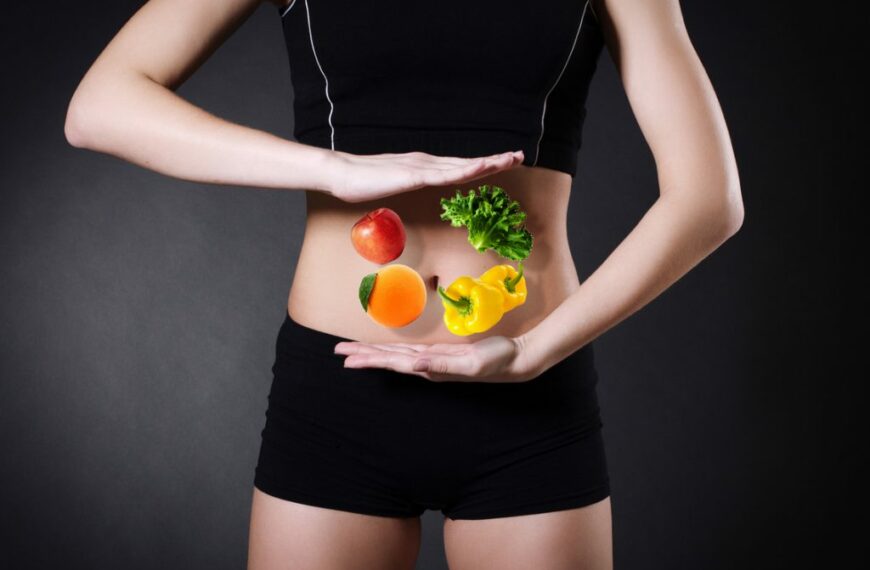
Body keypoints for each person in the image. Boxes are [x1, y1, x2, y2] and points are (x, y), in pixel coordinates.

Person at [64, 0, 743, 568]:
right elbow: (100, 106)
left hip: (528, 394)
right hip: (340, 393)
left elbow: (709, 198)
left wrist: (533, 353)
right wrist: (330, 168)